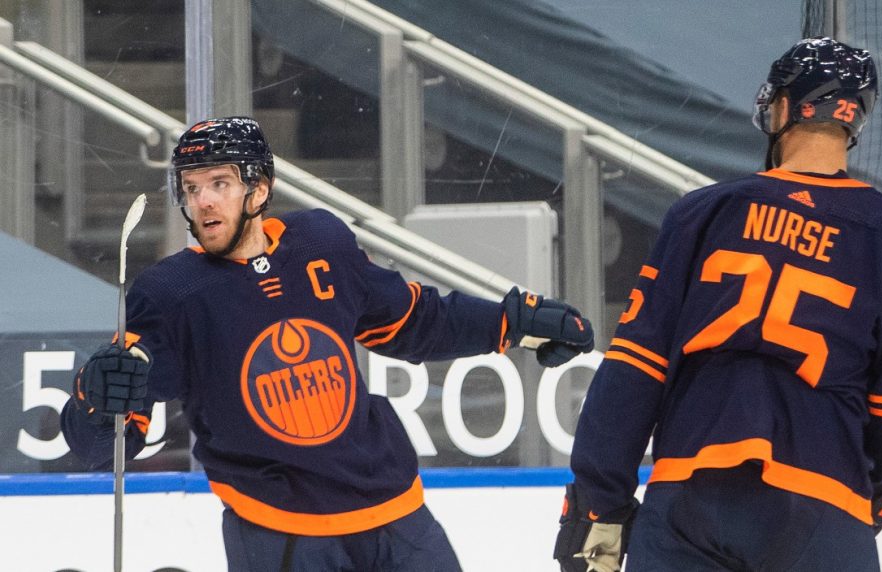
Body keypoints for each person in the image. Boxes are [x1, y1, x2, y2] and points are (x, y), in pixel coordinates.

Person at [61, 116, 595, 572]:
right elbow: (106, 442)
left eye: (219, 182)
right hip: (278, 530)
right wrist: (94, 397)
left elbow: (413, 320)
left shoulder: (321, 242)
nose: (203, 201)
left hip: (393, 512)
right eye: (192, 187)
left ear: (260, 188)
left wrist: (512, 322)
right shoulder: (170, 293)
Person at [554, 37, 882, 572]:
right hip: (821, 497)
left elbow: (635, 367)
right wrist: (880, 487)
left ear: (784, 107)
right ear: (853, 120)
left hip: (689, 490)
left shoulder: (702, 213)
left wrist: (598, 500)